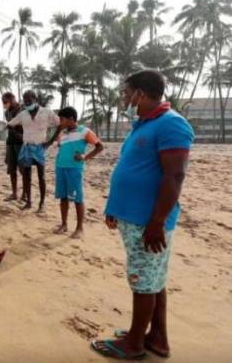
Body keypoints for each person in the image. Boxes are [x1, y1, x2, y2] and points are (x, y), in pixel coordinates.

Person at [91, 70, 194, 360]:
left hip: (148, 222)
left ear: (142, 93)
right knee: (153, 280)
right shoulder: (143, 124)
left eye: (127, 92)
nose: (124, 97)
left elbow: (175, 176)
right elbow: (130, 167)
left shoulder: (172, 125)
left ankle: (134, 344)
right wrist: (113, 207)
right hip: (132, 217)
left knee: (143, 282)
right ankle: (157, 338)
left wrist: (157, 222)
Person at [53, 106, 103, 239]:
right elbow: (61, 148)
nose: (60, 122)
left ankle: (79, 228)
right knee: (63, 197)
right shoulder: (63, 134)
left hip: (74, 169)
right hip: (60, 167)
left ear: (71, 119)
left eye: (62, 119)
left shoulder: (85, 131)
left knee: (77, 198)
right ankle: (64, 224)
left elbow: (100, 146)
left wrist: (85, 157)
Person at [6, 90, 60, 212]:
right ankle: (29, 202)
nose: (27, 103)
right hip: (26, 148)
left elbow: (60, 124)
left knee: (42, 176)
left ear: (35, 99)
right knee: (27, 176)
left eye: (29, 100)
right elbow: (9, 125)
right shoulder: (23, 114)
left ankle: (41, 204)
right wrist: (20, 136)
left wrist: (51, 141)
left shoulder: (46, 112)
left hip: (40, 148)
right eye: (25, 101)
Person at [2, 92, 25, 202]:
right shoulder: (7, 113)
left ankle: (25, 194)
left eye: (5, 102)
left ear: (12, 100)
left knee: (23, 169)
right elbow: (11, 125)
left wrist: (12, 126)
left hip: (21, 142)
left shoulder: (23, 110)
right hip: (10, 142)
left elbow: (22, 125)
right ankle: (14, 193)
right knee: (12, 169)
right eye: (3, 102)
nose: (4, 104)